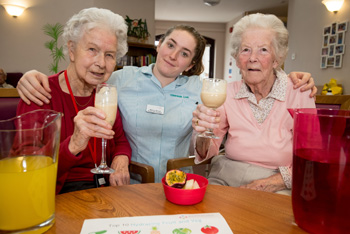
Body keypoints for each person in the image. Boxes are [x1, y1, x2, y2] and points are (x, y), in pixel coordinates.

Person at [17, 24, 317, 183]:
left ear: (190, 65)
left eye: (184, 53)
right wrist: (31, 76)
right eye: (170, 45)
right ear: (160, 46)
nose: (173, 55)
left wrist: (297, 77)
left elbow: (210, 140)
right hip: (129, 181)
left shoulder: (208, 90)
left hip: (180, 182)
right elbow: (85, 77)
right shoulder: (121, 79)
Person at [191, 13, 316, 195]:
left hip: (277, 182)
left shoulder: (299, 91)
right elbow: (207, 151)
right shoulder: (226, 92)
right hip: (226, 176)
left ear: (277, 58)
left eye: (263, 50)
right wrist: (202, 132)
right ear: (237, 57)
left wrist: (270, 183)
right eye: (245, 50)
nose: (252, 58)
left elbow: (312, 155)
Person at [16, 8, 132, 194]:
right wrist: (74, 144)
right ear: (71, 50)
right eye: (92, 50)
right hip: (56, 193)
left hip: (104, 190)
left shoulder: (104, 94)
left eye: (109, 54)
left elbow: (120, 140)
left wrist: (121, 158)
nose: (101, 63)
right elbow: (25, 165)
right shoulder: (40, 92)